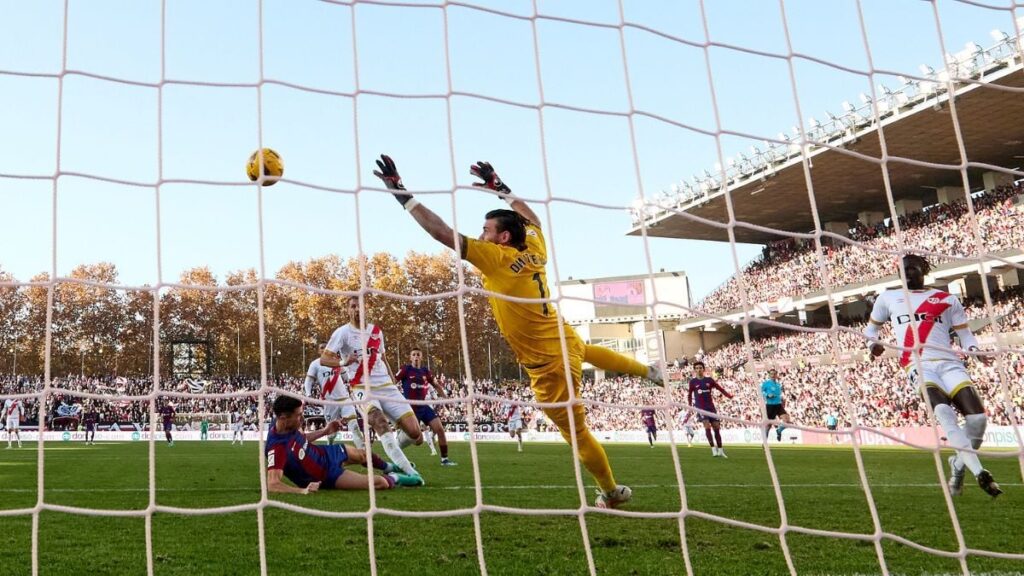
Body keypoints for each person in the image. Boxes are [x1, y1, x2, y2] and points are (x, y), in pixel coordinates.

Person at [376, 155, 661, 508]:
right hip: (562, 335)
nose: (482, 234)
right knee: (585, 349)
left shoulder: (497, 257)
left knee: (576, 433)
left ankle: (610, 491)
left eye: (486, 230)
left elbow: (442, 233)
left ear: (503, 237)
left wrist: (402, 194)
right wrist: (501, 189)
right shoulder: (535, 247)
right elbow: (533, 220)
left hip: (548, 366)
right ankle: (648, 371)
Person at [863, 254, 1001, 497]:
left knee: (978, 420)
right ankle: (980, 472)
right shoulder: (888, 297)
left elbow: (965, 334)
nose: (906, 273)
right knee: (944, 412)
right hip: (917, 363)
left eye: (911, 268)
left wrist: (974, 350)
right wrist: (872, 345)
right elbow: (871, 330)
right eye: (902, 269)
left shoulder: (947, 299)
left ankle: (957, 466)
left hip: (950, 363)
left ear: (923, 269)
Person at [320, 295, 423, 483]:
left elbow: (383, 359)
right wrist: (343, 362)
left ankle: (395, 454)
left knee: (415, 433)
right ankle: (410, 473)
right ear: (348, 310)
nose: (357, 309)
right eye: (353, 306)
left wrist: (393, 381)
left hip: (386, 386)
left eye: (359, 306)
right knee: (380, 422)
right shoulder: (342, 333)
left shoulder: (376, 331)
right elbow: (324, 359)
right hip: (362, 387)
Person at [265, 395, 422, 494]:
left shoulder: (287, 426)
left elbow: (301, 439)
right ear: (284, 418)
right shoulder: (277, 447)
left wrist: (325, 431)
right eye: (298, 415)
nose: (302, 418)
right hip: (326, 475)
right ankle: (397, 477)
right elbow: (272, 484)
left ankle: (391, 467)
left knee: (363, 454)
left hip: (326, 453)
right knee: (380, 483)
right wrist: (302, 491)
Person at [395, 347, 456, 466]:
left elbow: (436, 385)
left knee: (440, 429)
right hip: (410, 409)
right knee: (418, 441)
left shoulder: (425, 371)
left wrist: (446, 398)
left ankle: (445, 460)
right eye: (414, 354)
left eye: (418, 354)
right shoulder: (405, 369)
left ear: (421, 357)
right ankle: (398, 442)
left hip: (423, 406)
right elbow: (393, 381)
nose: (416, 357)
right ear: (410, 357)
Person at [305, 343, 365, 448]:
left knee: (354, 425)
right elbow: (308, 380)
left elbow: (347, 377)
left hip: (344, 399)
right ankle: (330, 446)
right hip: (329, 402)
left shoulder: (337, 361)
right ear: (318, 351)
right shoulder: (315, 364)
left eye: (326, 347)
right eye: (322, 347)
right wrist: (308, 394)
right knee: (332, 433)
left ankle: (363, 451)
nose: (324, 349)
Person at [687, 362, 733, 457]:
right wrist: (690, 406)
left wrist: (728, 396)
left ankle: (720, 450)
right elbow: (689, 395)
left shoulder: (709, 380)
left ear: (703, 369)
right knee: (707, 426)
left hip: (711, 407)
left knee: (716, 427)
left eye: (700, 368)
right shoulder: (693, 382)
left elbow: (720, 388)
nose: (699, 370)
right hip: (701, 408)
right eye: (697, 368)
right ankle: (713, 449)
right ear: (695, 370)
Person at [761, 369, 791, 442]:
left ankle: (779, 430)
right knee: (768, 425)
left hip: (778, 405)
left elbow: (778, 395)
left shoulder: (778, 385)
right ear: (769, 375)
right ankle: (765, 442)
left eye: (774, 374)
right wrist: (767, 395)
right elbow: (760, 392)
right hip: (770, 406)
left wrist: (782, 401)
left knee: (787, 420)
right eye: (771, 374)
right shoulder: (766, 383)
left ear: (776, 375)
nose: (773, 375)